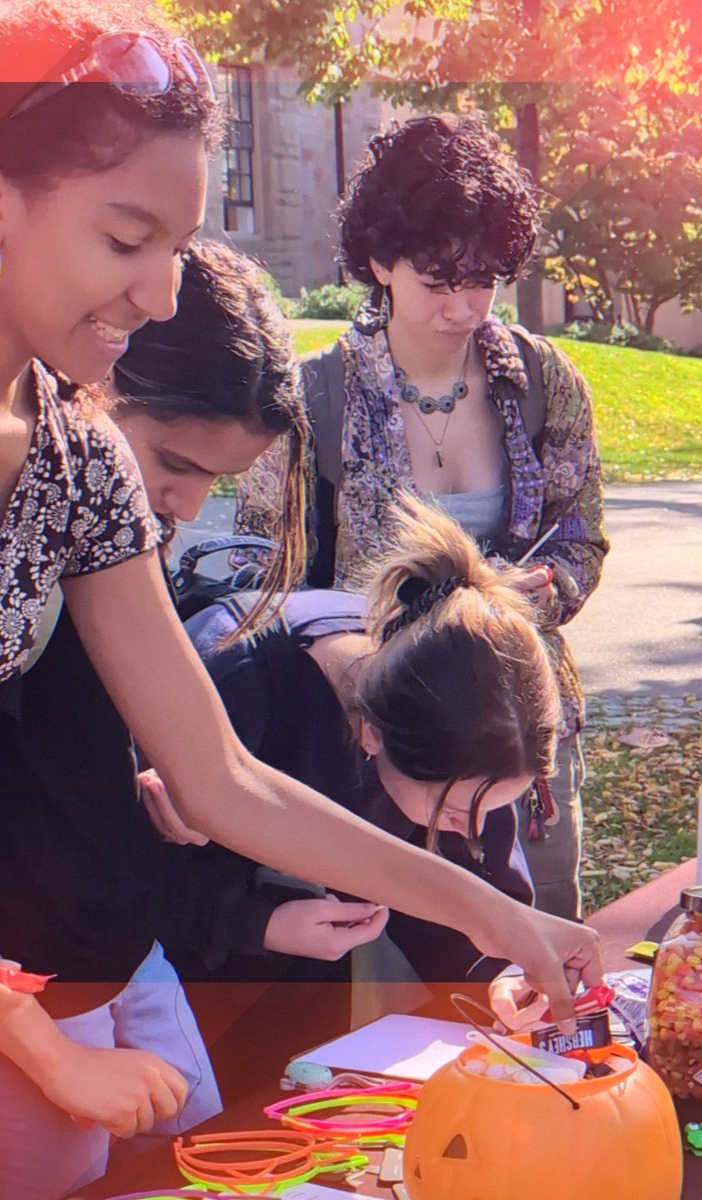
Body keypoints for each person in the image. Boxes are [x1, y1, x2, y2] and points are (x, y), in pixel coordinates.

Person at [0, 9, 601, 1194]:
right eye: (127, 237)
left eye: (181, 246)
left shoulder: (77, 463)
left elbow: (222, 778)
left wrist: (504, 919)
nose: (158, 295)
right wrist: (32, 1037)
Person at [0, 240, 307, 1200]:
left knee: (196, 1158)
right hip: (7, 979)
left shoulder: (114, 530)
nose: (187, 505)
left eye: (218, 481)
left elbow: (177, 757)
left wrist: (136, 780)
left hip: (117, 943)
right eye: (173, 462)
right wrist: (38, 1047)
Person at [236, 112, 609, 921]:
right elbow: (257, 579)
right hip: (381, 752)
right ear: (379, 261)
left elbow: (582, 537)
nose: (464, 305)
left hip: (520, 740)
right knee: (392, 984)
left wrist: (539, 589)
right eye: (439, 281)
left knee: (534, 955)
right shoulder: (315, 400)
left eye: (483, 278)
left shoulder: (545, 383)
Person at [143, 498, 557, 1009]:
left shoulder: (471, 726)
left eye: (492, 808)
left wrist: (500, 978)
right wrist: (257, 923)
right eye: (452, 811)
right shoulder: (234, 676)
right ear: (372, 737)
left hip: (309, 1013)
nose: (469, 832)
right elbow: (121, 872)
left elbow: (469, 900)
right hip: (159, 1007)